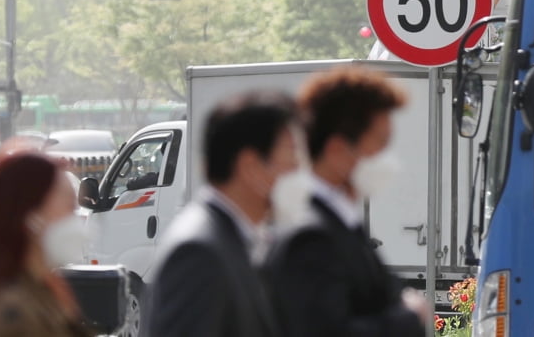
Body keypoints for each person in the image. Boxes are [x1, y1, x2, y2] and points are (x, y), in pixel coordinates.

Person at [265, 66, 429, 337]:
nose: (388, 159)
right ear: (338, 150)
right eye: (380, 143)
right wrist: (409, 318)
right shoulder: (309, 237)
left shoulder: (341, 222)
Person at [148, 91, 301, 337]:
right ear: (250, 165)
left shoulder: (240, 238)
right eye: (291, 154)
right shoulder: (199, 252)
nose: (298, 169)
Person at [0, 152, 91, 337]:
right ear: (32, 218)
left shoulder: (42, 292)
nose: (75, 222)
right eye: (68, 208)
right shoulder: (11, 316)